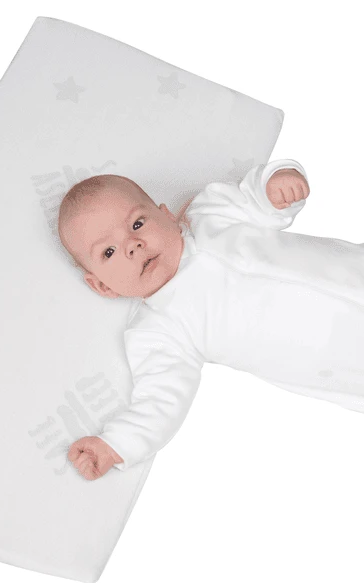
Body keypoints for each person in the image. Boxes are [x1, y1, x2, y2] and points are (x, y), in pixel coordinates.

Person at [58, 159, 364, 481]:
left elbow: (256, 199)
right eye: (108, 252)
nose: (133, 246)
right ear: (102, 286)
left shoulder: (209, 215)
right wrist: (116, 444)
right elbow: (161, 399)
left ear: (165, 214)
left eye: (137, 224)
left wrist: (276, 183)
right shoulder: (159, 329)